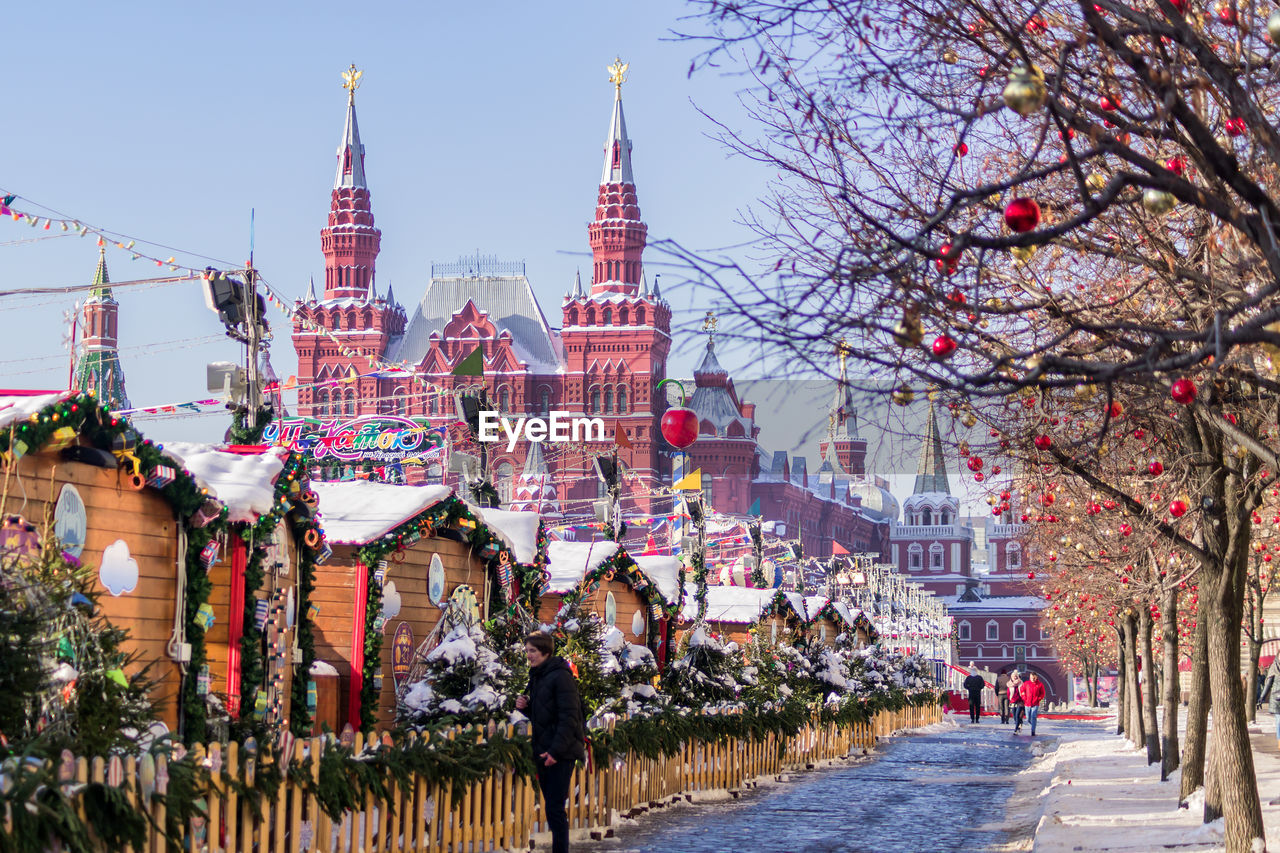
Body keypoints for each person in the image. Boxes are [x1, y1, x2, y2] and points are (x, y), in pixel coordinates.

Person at [515, 632, 586, 853]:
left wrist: (555, 751)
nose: (529, 656)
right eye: (527, 651)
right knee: (552, 809)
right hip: (545, 750)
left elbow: (569, 717)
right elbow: (545, 714)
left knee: (555, 810)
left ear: (545, 652)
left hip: (560, 752)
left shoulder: (560, 676)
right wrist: (525, 707)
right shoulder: (539, 675)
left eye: (533, 651)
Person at [1020, 671, 1047, 736]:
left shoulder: (1040, 684)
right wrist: (1024, 697)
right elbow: (1022, 690)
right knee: (1028, 717)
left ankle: (1033, 730)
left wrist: (1039, 698)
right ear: (1030, 677)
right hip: (1027, 703)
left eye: (1034, 677)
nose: (1032, 679)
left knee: (1033, 716)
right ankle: (1032, 724)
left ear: (1036, 677)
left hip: (1035, 703)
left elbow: (1042, 693)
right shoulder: (1026, 683)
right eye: (1031, 677)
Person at [1262, 658, 1280, 749]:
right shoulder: (1274, 668)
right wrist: (1262, 697)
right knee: (1279, 721)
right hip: (1277, 699)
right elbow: (1268, 684)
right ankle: (1279, 741)